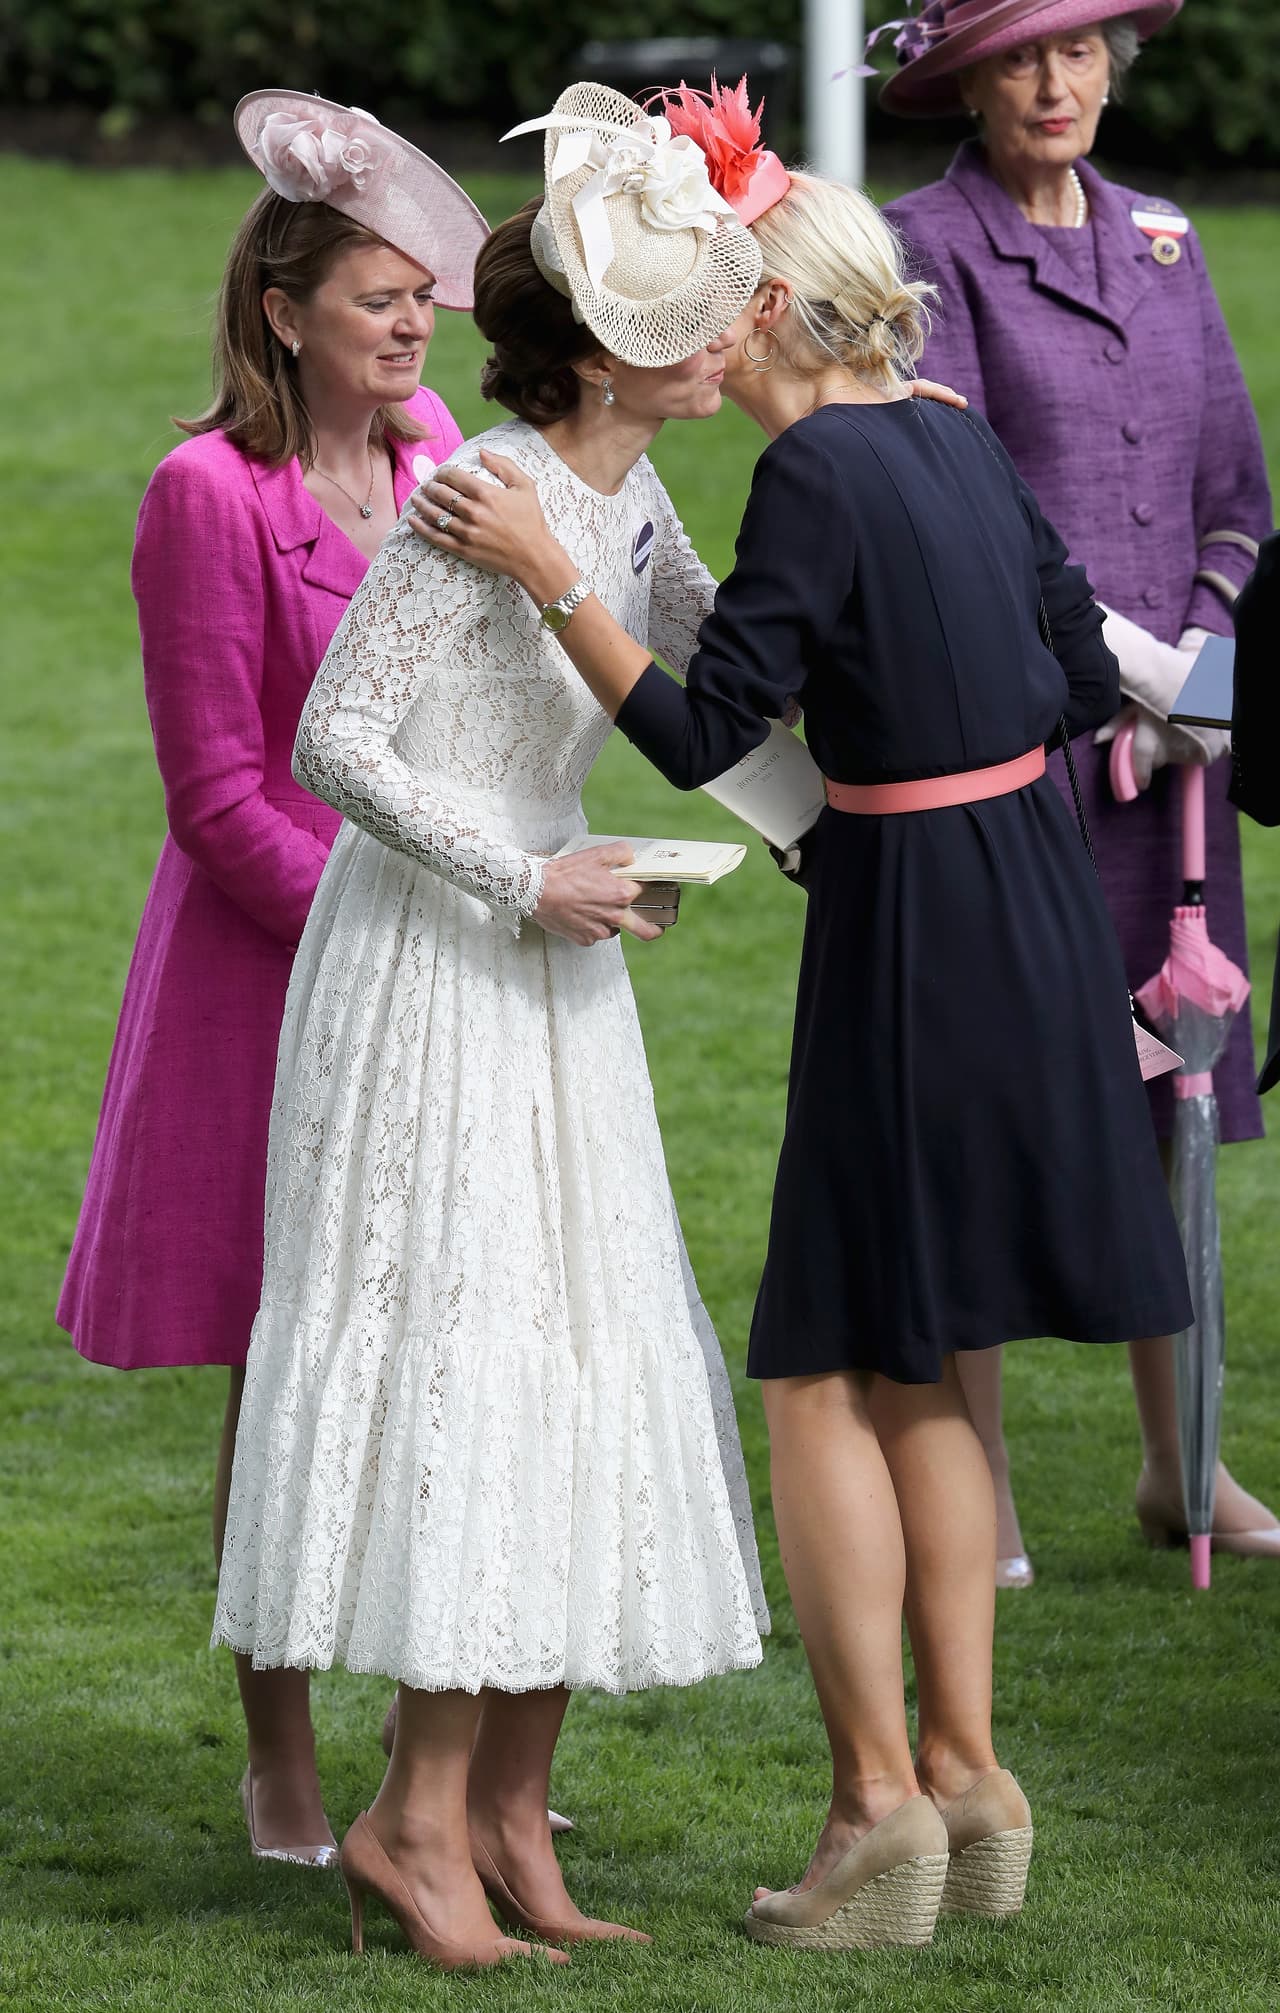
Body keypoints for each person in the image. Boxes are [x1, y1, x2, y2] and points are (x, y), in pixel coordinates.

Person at [411, 99, 1193, 1950]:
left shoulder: (821, 478)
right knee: (934, 1354)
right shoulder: (954, 436)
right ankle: (972, 1769)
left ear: (752, 315)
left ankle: (872, 1810)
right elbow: (1083, 668)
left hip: (913, 931)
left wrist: (556, 578)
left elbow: (697, 728)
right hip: (1030, 909)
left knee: (826, 1359)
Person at [211, 85, 772, 1970]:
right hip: (441, 966)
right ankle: (407, 1819)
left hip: (559, 966)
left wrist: (867, 471)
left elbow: (725, 653)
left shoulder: (629, 489)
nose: (721, 343)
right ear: (617, 350)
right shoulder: (478, 499)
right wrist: (521, 876)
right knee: (482, 1351)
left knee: (584, 1353)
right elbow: (331, 744)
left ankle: (510, 1817)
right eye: (698, 320)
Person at [56, 90, 484, 1864]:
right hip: (275, 980)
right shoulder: (202, 493)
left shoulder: (441, 447)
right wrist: (388, 926)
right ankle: (282, 1749)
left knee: (438, 1358)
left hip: (437, 954)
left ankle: (432, 1759)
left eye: (423, 298)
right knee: (289, 1362)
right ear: (286, 308)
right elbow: (220, 796)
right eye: (378, 296)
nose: (412, 325)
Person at [880, 0, 1276, 1583]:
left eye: (1085, 50)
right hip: (1011, 748)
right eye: (1023, 56)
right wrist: (1137, 676)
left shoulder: (1170, 242)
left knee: (1175, 1094)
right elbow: (965, 506)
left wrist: (1211, 686)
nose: (1058, 84)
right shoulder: (924, 249)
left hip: (1175, 762)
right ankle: (976, 1483)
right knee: (993, 1102)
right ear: (968, 81)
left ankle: (1184, 1458)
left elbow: (1240, 504)